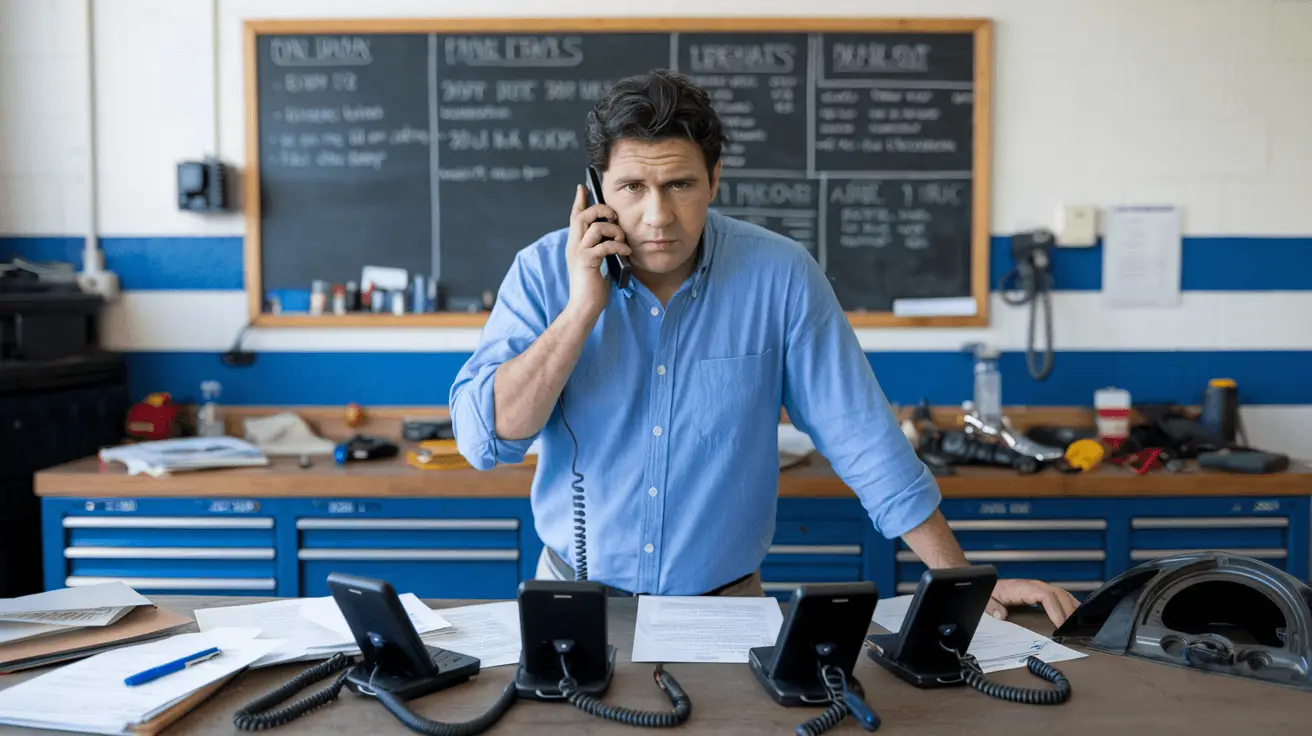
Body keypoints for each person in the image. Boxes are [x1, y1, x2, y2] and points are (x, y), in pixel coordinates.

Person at [449, 69, 1080, 627]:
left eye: (679, 185)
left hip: (725, 609)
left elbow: (862, 436)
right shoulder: (540, 275)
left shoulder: (779, 276)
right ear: (595, 189)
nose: (658, 217)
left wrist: (962, 584)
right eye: (633, 188)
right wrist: (583, 307)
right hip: (572, 602)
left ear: (715, 179)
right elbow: (486, 441)